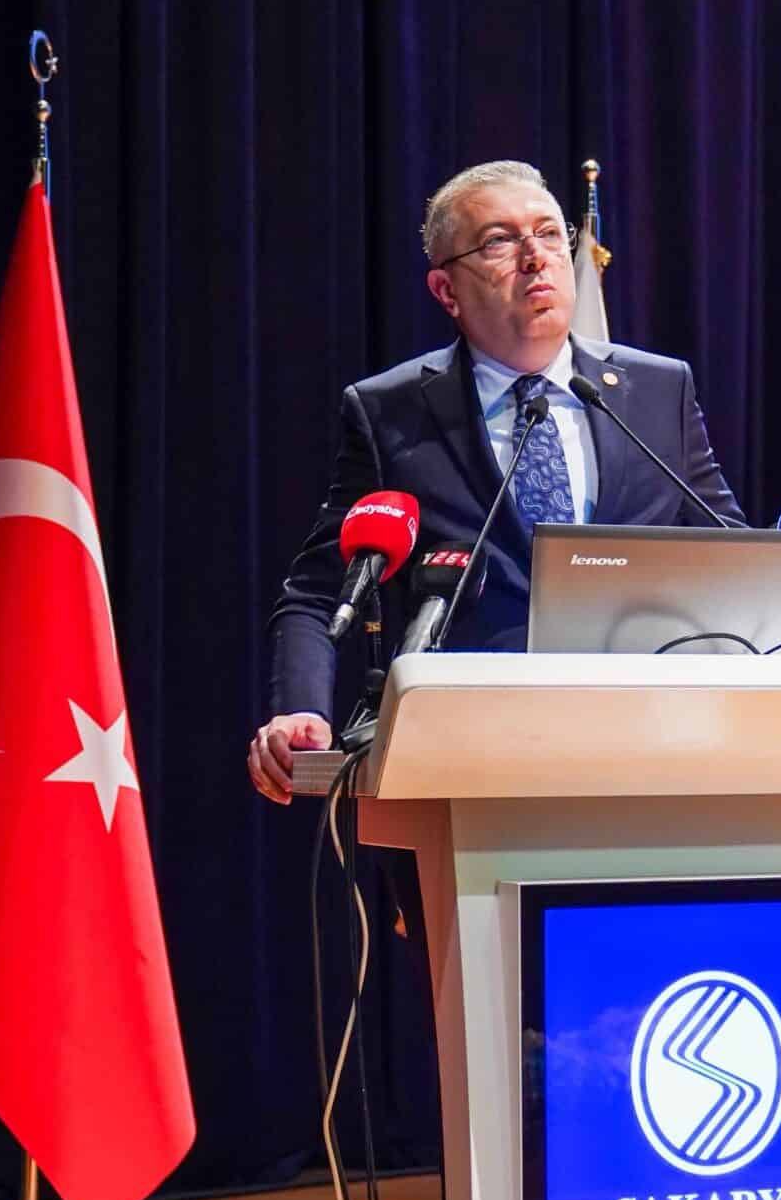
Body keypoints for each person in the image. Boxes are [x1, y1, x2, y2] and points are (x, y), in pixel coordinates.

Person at [248, 159, 743, 802]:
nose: (536, 258)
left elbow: (735, 557)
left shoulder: (656, 391)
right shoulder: (391, 411)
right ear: (446, 290)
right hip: (469, 763)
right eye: (499, 242)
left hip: (650, 752)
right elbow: (319, 593)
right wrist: (300, 709)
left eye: (549, 233)